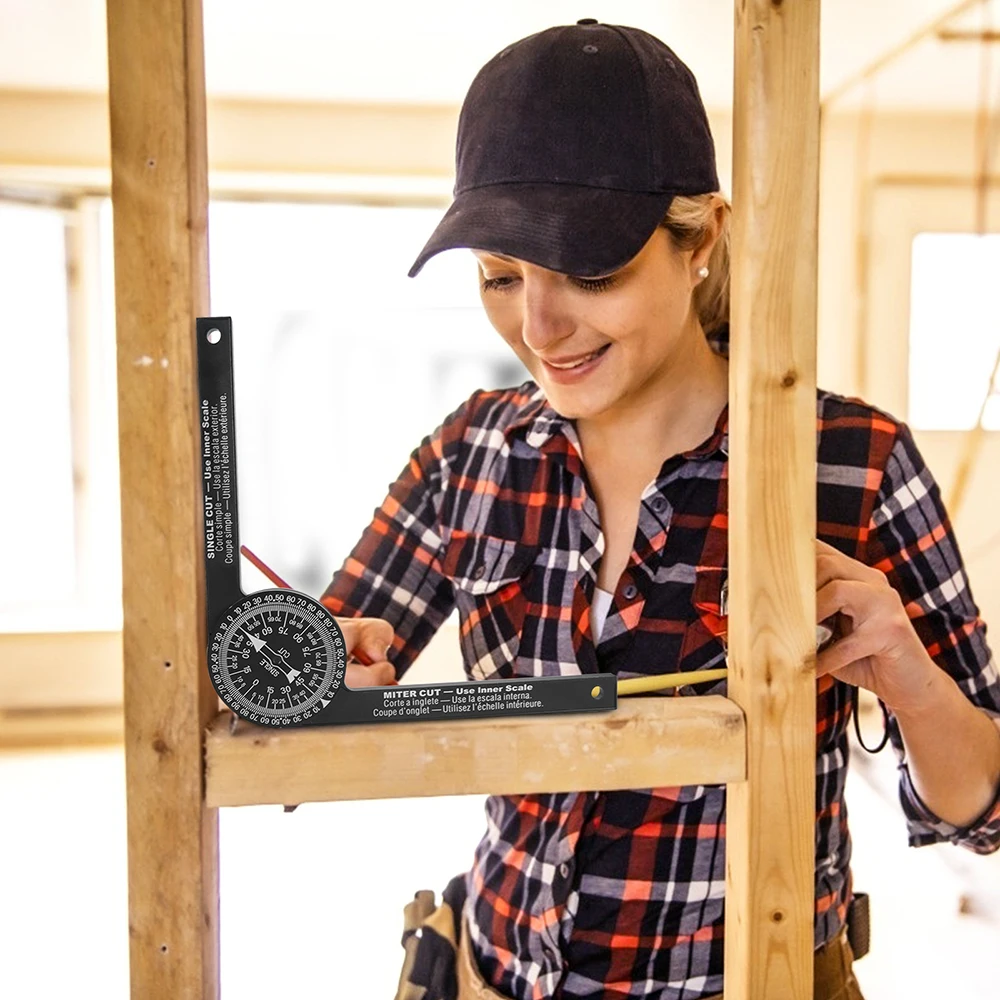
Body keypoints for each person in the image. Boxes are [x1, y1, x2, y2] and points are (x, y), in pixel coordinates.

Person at [320, 20, 1000, 1000]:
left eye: (589, 273)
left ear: (701, 240)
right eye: (500, 277)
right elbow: (310, 677)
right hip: (483, 972)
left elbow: (983, 811)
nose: (539, 329)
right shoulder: (470, 450)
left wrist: (907, 675)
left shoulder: (853, 463)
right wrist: (323, 669)